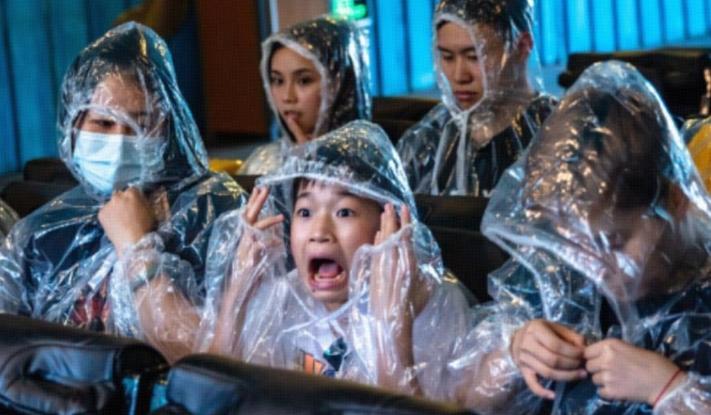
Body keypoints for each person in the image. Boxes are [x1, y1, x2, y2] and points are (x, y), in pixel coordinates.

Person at [451, 61, 711, 414]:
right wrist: (515, 351)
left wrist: (668, 388)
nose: (595, 268)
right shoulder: (561, 275)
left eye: (615, 244)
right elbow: (465, 399)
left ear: (674, 201)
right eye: (575, 245)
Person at [0, 23, 246, 350]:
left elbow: (213, 359)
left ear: (168, 128)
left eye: (140, 125)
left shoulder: (215, 215)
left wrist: (137, 248)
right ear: (72, 125)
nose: (119, 142)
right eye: (103, 122)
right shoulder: (39, 235)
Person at [194, 120, 471, 399]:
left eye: (344, 212)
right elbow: (212, 398)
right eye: (305, 212)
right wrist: (238, 294)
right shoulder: (285, 298)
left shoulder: (432, 306)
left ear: (390, 225)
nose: (318, 232)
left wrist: (392, 328)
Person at [397, 0, 556, 196]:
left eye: (474, 56)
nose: (459, 76)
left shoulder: (559, 135)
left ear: (522, 47)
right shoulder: (427, 141)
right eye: (447, 57)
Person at [238, 15, 371, 175]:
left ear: (338, 83)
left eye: (304, 81)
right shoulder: (264, 162)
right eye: (278, 80)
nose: (287, 97)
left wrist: (311, 167)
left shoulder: (369, 164)